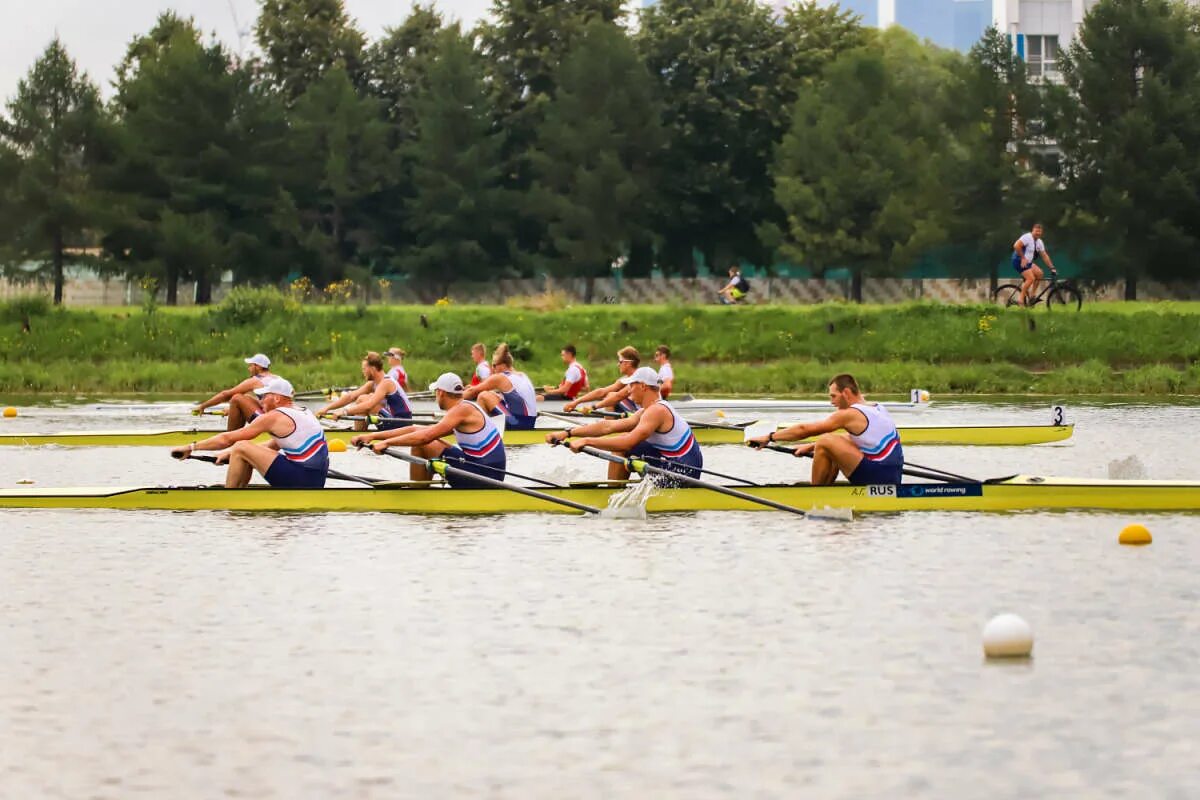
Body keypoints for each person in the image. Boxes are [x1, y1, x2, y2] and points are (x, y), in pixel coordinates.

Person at [547, 366, 702, 484]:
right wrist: (568, 433)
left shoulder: (657, 411)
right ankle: (615, 488)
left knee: (623, 445)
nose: (628, 391)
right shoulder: (646, 411)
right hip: (677, 466)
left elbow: (628, 442)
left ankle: (612, 493)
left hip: (684, 473)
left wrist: (587, 441)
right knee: (624, 444)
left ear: (643, 386)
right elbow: (607, 427)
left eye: (631, 385)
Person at [352, 372, 505, 488]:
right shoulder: (466, 407)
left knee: (422, 443)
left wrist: (386, 444)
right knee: (422, 438)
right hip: (483, 470)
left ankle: (418, 493)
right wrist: (372, 436)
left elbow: (425, 437)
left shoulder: (461, 410)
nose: (435, 397)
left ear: (441, 393)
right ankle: (420, 488)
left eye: (435, 393)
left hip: (486, 477)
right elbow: (415, 429)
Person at [747, 373, 903, 486]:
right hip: (892, 477)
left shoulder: (849, 414)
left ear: (846, 393)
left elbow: (804, 430)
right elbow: (857, 440)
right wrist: (810, 446)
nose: (831, 402)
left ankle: (816, 495)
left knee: (825, 440)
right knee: (829, 443)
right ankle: (825, 488)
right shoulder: (878, 408)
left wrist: (770, 436)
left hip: (879, 478)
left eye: (833, 396)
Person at [171, 377, 327, 488]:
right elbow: (271, 446)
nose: (260, 401)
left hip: (302, 479)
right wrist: (229, 454)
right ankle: (239, 491)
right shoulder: (304, 412)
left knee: (241, 446)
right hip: (315, 479)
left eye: (264, 396)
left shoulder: (276, 416)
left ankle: (230, 497)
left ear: (277, 398)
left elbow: (227, 438)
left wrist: (191, 447)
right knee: (242, 450)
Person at [314, 351, 412, 430]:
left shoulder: (386, 382)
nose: (363, 372)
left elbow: (370, 405)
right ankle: (358, 433)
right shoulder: (372, 384)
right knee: (362, 398)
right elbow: (350, 397)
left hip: (401, 424)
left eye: (364, 369)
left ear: (373, 369)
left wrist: (344, 411)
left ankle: (357, 433)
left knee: (364, 399)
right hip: (391, 419)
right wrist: (327, 409)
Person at [192, 353, 280, 431]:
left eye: (250, 366)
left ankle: (230, 438)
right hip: (281, 420)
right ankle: (237, 433)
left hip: (269, 421)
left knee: (236, 398)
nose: (249, 369)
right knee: (247, 398)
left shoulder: (255, 381)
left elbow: (225, 395)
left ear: (258, 367)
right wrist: (234, 410)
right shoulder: (278, 378)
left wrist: (203, 406)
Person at [463, 343, 539, 430]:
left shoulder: (500, 378)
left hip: (518, 423)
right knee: (491, 394)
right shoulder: (521, 375)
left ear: (503, 365)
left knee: (483, 396)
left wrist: (453, 396)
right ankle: (487, 428)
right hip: (530, 422)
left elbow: (472, 392)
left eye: (494, 365)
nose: (493, 369)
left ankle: (480, 432)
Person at [563, 346, 641, 415]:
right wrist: (576, 402)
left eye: (620, 361)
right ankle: (608, 426)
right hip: (635, 410)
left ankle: (608, 427)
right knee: (610, 395)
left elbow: (618, 396)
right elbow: (601, 392)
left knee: (611, 396)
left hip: (642, 413)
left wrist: (592, 407)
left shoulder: (638, 378)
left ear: (629, 363)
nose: (618, 364)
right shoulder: (624, 379)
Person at [1012, 223, 1057, 307]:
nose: (1038, 233)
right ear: (1032, 230)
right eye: (1036, 231)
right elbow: (1016, 246)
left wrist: (1052, 268)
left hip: (1028, 262)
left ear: (1042, 233)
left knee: (1040, 273)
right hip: (1019, 261)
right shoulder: (1027, 237)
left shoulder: (1039, 242)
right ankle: (1020, 299)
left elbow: (1044, 255)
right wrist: (1023, 258)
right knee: (1031, 278)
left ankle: (1032, 296)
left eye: (1039, 232)